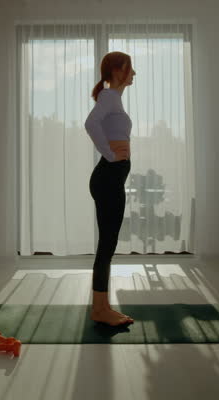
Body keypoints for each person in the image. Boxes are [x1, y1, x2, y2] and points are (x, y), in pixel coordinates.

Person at [84, 51, 136, 326]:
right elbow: (90, 123)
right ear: (117, 71)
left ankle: (101, 307)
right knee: (107, 244)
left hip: (111, 178)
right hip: (108, 178)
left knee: (108, 243)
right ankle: (100, 310)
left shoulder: (113, 98)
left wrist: (114, 156)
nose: (134, 73)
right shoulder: (108, 96)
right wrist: (110, 154)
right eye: (130, 68)